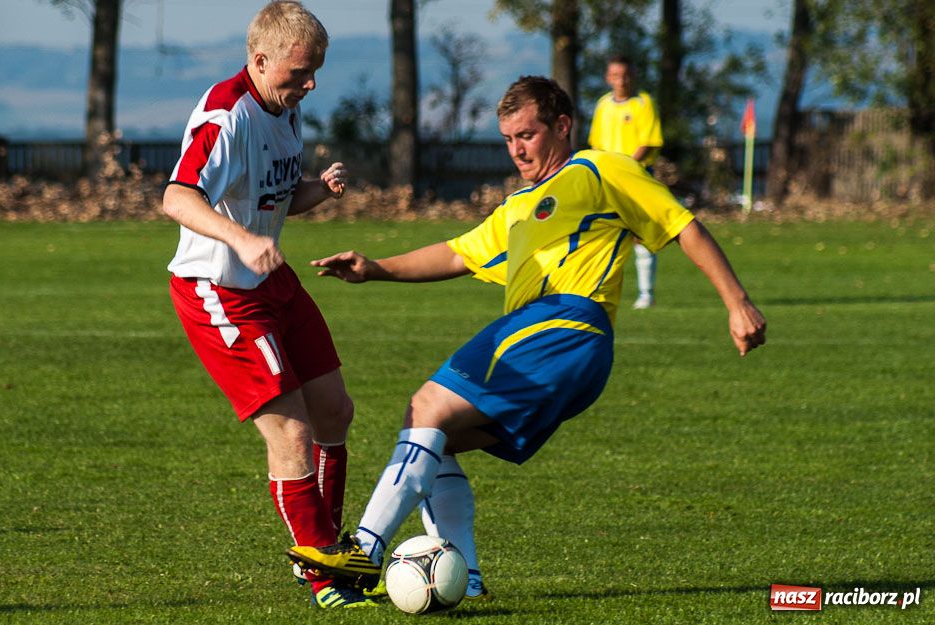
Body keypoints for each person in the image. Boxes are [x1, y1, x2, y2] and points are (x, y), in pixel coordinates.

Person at [287, 76, 767, 596]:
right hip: (557, 348)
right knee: (433, 438)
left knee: (426, 406)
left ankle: (363, 550)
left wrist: (736, 301)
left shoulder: (601, 169)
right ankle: (464, 581)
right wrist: (374, 267)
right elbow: (456, 253)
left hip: (564, 324)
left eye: (528, 134)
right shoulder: (519, 205)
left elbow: (682, 224)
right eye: (508, 139)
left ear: (562, 126)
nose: (517, 149)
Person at [163, 1, 375, 609]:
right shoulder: (225, 116)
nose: (310, 84)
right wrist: (242, 238)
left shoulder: (284, 108)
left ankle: (327, 545)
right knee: (290, 430)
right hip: (218, 292)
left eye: (316, 72)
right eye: (300, 72)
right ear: (259, 60)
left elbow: (273, 196)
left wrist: (319, 191)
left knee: (334, 410)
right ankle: (322, 574)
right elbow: (177, 197)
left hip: (270, 281)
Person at [587, 54, 664, 309]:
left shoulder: (643, 103)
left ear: (634, 76)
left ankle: (646, 294)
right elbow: (596, 143)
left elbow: (648, 140)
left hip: (636, 177)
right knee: (602, 232)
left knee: (640, 235)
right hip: (608, 179)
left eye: (626, 75)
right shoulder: (603, 105)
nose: (622, 81)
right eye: (616, 76)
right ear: (608, 78)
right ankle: (597, 288)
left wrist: (626, 167)